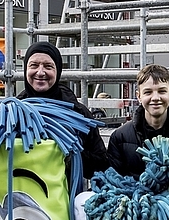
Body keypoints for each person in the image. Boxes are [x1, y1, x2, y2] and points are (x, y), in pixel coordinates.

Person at [16, 40, 108, 179]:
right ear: (25, 69)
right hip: (20, 195)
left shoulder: (78, 114)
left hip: (63, 197)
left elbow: (101, 166)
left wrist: (72, 157)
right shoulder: (10, 114)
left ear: (57, 71)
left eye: (48, 66)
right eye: (34, 65)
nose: (40, 72)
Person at [107, 64, 169, 178]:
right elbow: (114, 182)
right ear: (139, 96)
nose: (155, 98)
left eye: (162, 91)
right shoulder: (120, 138)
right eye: (148, 92)